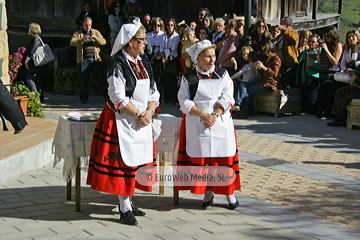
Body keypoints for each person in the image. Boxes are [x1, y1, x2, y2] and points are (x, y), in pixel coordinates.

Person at [86, 19, 160, 226]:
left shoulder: (144, 62)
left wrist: (150, 111)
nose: (145, 43)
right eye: (141, 39)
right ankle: (124, 206)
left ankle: (129, 200)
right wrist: (139, 114)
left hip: (142, 120)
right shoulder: (117, 63)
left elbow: (154, 91)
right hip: (121, 119)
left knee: (136, 161)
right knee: (122, 163)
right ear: (129, 42)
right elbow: (116, 96)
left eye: (145, 39)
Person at [176, 40, 241, 209]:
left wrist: (214, 114)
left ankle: (229, 193)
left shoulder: (223, 74)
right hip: (198, 124)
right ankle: (207, 192)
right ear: (198, 58)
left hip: (220, 123)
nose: (212, 60)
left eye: (213, 56)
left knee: (222, 158)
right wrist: (202, 115)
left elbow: (228, 97)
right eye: (207, 57)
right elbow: (183, 101)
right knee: (204, 159)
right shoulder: (188, 78)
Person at [235, 40, 280, 118]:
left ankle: (243, 112)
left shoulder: (276, 59)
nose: (264, 52)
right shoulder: (265, 58)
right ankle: (241, 107)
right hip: (261, 81)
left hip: (269, 84)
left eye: (265, 50)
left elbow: (275, 75)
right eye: (263, 50)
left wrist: (264, 68)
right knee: (244, 83)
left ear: (269, 48)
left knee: (248, 90)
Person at [70, 17, 108, 104]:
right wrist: (82, 40)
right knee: (84, 80)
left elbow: (104, 42)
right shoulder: (78, 33)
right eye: (86, 25)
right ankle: (84, 98)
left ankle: (106, 95)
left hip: (95, 59)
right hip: (84, 60)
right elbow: (72, 42)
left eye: (89, 25)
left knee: (101, 78)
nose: (88, 27)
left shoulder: (95, 32)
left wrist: (96, 39)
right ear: (82, 24)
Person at [316, 26, 342, 119]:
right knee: (320, 93)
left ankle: (328, 113)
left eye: (329, 36)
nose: (327, 38)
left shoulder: (337, 45)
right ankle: (320, 113)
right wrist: (318, 53)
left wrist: (326, 50)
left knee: (327, 93)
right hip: (322, 72)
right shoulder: (325, 44)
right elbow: (319, 62)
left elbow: (335, 61)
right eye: (325, 36)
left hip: (332, 74)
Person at [297, 34, 321, 114]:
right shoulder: (304, 52)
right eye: (309, 41)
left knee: (314, 95)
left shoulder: (319, 52)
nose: (311, 43)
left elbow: (322, 65)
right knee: (305, 93)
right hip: (305, 76)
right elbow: (299, 62)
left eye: (313, 42)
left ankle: (314, 111)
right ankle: (306, 110)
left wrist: (313, 65)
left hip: (315, 76)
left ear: (317, 43)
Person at [158, 18, 180, 105]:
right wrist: (162, 56)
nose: (170, 27)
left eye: (171, 25)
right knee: (165, 80)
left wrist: (164, 54)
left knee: (172, 81)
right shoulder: (163, 35)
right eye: (168, 25)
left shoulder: (176, 36)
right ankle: (166, 99)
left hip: (172, 60)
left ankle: (173, 100)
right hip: (164, 61)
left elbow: (172, 49)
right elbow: (161, 47)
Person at [24, 23, 47, 103]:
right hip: (38, 64)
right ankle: (40, 98)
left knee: (29, 80)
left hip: (36, 63)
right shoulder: (36, 38)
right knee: (38, 80)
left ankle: (35, 97)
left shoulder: (36, 38)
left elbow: (32, 51)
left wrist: (26, 61)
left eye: (29, 28)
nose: (28, 30)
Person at [278, 17, 299, 88]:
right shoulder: (282, 35)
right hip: (281, 64)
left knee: (288, 85)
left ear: (287, 25)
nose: (279, 25)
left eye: (281, 24)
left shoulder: (293, 33)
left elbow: (294, 39)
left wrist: (284, 30)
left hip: (290, 64)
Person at [147, 17, 165, 102]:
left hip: (158, 58)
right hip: (149, 57)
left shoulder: (162, 35)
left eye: (158, 25)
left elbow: (162, 48)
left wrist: (154, 57)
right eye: (154, 25)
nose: (156, 27)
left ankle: (159, 97)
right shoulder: (149, 35)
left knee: (158, 79)